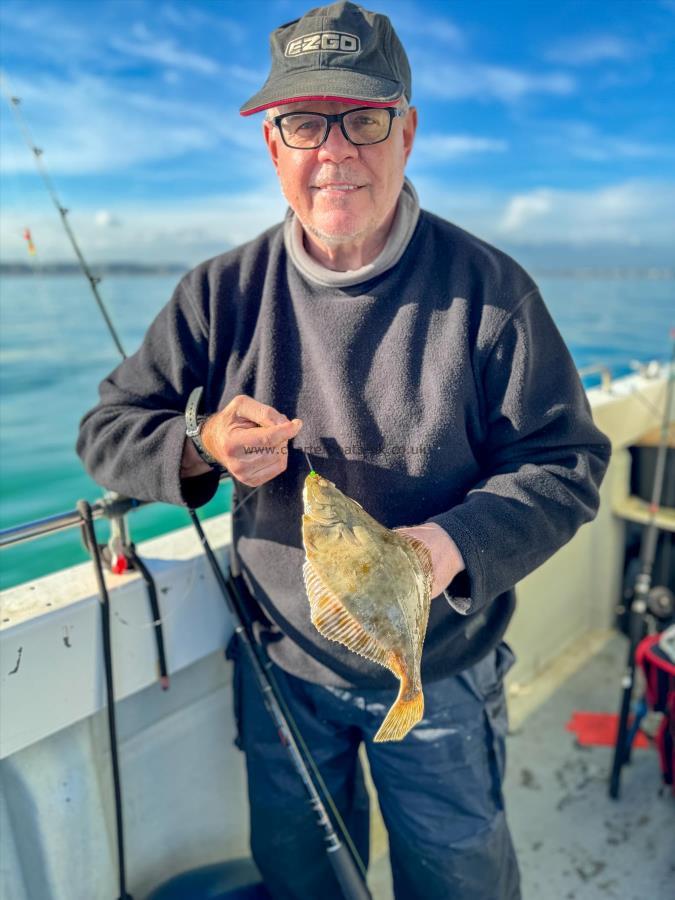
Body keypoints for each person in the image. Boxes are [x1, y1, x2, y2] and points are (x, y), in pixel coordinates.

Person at [77, 3, 612, 898]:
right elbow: (108, 430)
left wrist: (444, 551)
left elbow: (566, 463)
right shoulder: (220, 292)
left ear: (407, 132)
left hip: (437, 667)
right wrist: (200, 443)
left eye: (364, 120)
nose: (335, 152)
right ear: (272, 147)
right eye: (303, 123)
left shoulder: (490, 293)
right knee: (303, 879)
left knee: (460, 882)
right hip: (282, 668)